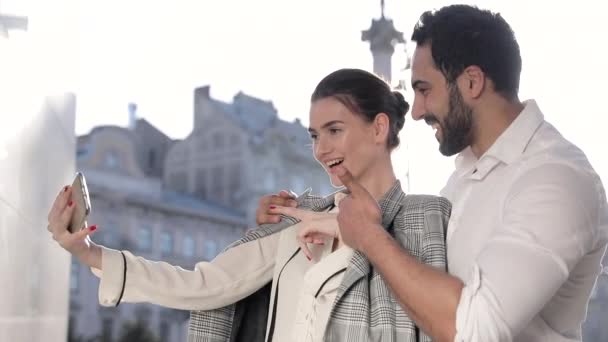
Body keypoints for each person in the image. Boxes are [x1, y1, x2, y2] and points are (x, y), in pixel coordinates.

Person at [261, 5, 608, 342]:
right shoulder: (466, 177)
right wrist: (329, 223)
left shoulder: (556, 181)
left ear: (472, 82)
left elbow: (471, 330)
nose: (415, 111)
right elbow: (418, 272)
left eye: (424, 89)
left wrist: (368, 236)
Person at [47, 68, 451, 342]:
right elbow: (202, 285)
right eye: (314, 135)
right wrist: (86, 252)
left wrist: (363, 236)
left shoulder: (426, 217)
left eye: (334, 130)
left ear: (378, 127)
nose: (320, 149)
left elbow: (452, 323)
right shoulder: (298, 219)